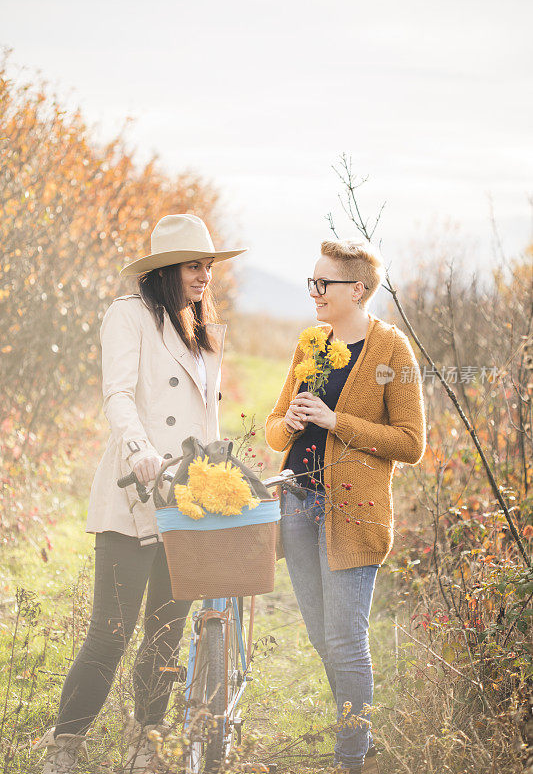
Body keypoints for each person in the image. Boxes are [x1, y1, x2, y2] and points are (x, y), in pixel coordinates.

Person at [35, 215, 246, 774]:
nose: (204, 275)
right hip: (136, 489)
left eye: (208, 265)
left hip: (186, 497)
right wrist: (139, 449)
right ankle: (65, 746)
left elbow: (208, 413)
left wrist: (221, 468)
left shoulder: (205, 328)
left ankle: (145, 743)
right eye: (194, 266)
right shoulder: (127, 315)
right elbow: (118, 395)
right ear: (165, 270)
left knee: (165, 635)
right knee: (111, 631)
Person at [265, 239, 426, 774]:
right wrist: (286, 424)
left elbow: (411, 443)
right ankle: (357, 728)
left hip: (355, 514)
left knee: (345, 637)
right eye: (311, 282)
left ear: (357, 290)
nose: (314, 292)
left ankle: (350, 757)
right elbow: (271, 429)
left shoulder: (392, 351)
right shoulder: (310, 342)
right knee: (318, 633)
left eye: (323, 283)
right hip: (298, 505)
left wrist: (338, 422)